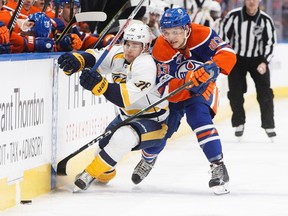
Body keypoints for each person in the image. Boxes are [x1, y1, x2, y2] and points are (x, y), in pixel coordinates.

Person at [132, 7, 237, 195]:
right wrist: (186, 81)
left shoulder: (203, 34)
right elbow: (164, 84)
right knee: (163, 129)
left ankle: (218, 165)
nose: (171, 37)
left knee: (199, 119)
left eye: (175, 31)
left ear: (187, 29)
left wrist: (213, 67)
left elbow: (227, 52)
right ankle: (148, 159)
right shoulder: (161, 48)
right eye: (166, 32)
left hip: (202, 90)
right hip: (176, 93)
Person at [57, 23, 169, 191]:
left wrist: (99, 85)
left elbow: (124, 99)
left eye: (135, 45)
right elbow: (96, 57)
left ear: (145, 47)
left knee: (123, 137)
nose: (129, 49)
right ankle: (102, 173)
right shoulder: (119, 53)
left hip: (154, 121)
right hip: (126, 117)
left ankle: (89, 174)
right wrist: (78, 60)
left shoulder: (146, 64)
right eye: (127, 43)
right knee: (102, 153)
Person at [218, 0, 277, 139]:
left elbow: (270, 43)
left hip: (258, 60)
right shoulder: (233, 16)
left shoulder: (265, 20)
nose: (252, 2)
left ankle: (268, 125)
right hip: (236, 59)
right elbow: (222, 37)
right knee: (235, 93)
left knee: (265, 93)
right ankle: (239, 122)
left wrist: (264, 62)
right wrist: (228, 55)